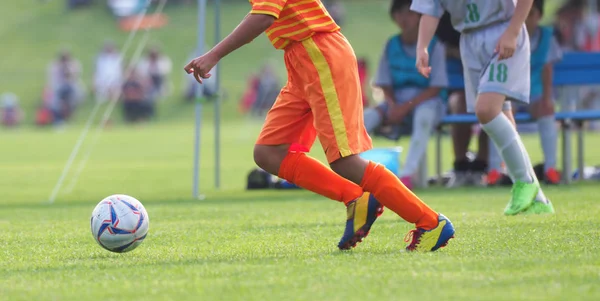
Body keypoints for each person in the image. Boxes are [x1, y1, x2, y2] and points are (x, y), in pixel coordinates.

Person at [184, 0, 455, 252]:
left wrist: (213, 55)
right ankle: (356, 197)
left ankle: (431, 222)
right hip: (301, 58)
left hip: (320, 54)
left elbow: (264, 17)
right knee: (268, 152)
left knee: (345, 161)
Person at [411, 0, 554, 215]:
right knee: (502, 115)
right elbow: (431, 10)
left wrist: (513, 32)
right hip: (469, 40)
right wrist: (422, 46)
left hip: (502, 31)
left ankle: (525, 182)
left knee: (486, 110)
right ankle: (538, 200)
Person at [364, 0, 448, 189]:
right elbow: (384, 82)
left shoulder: (435, 46)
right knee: (364, 118)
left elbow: (435, 88)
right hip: (396, 101)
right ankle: (354, 170)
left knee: (423, 117)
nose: (404, 18)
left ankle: (406, 175)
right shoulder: (391, 45)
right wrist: (393, 106)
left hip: (427, 101)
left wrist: (404, 107)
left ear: (420, 16)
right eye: (399, 13)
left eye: (410, 13)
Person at [489, 0, 563, 185]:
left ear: (539, 15)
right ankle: (495, 171)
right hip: (510, 93)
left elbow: (547, 70)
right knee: (497, 116)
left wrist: (547, 99)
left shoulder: (546, 37)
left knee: (547, 110)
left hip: (535, 94)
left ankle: (550, 169)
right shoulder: (507, 36)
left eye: (532, 14)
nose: (527, 19)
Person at [436, 12, 490, 187]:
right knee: (459, 103)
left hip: (487, 85)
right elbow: (439, 47)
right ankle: (461, 166)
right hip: (456, 88)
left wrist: (460, 52)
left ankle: (481, 166)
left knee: (492, 106)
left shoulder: (487, 14)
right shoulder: (444, 17)